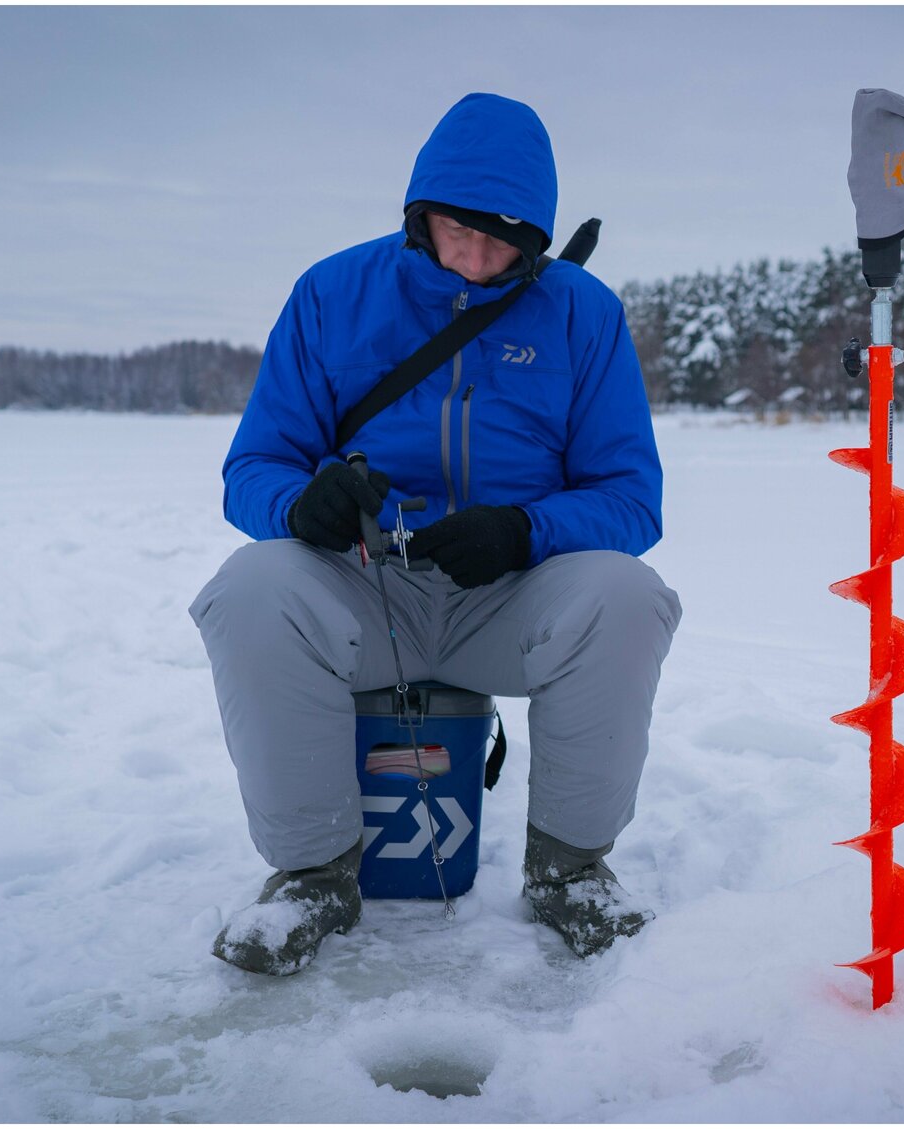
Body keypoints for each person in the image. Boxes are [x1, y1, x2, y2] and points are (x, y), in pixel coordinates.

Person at [189, 93, 682, 975]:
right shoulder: (331, 294)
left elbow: (632, 499)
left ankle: (570, 870)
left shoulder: (584, 314)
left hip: (508, 602)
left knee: (627, 594)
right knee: (249, 585)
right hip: (365, 592)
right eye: (460, 231)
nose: (478, 256)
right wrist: (302, 507)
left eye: (504, 242)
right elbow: (254, 466)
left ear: (535, 241)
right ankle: (312, 876)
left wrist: (527, 529)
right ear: (421, 214)